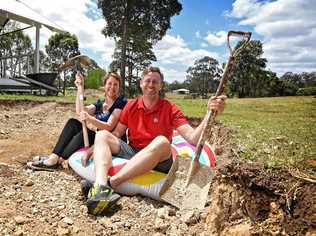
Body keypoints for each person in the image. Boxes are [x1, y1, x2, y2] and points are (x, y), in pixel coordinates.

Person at [84, 66, 227, 215]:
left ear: (161, 85)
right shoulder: (130, 106)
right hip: (133, 152)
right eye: (147, 81)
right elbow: (117, 133)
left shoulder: (170, 108)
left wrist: (210, 114)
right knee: (102, 135)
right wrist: (94, 148)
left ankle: (111, 184)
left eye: (155, 81)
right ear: (141, 83)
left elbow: (193, 138)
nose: (151, 85)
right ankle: (100, 185)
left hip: (160, 159)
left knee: (162, 141)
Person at [28, 72, 127, 171]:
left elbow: (109, 126)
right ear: (104, 85)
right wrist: (80, 88)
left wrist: (90, 118)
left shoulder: (120, 103)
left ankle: (56, 160)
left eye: (115, 84)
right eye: (109, 83)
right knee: (73, 123)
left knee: (88, 133)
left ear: (119, 87)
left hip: (110, 141)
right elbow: (80, 111)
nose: (112, 87)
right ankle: (54, 157)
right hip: (97, 136)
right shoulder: (100, 103)